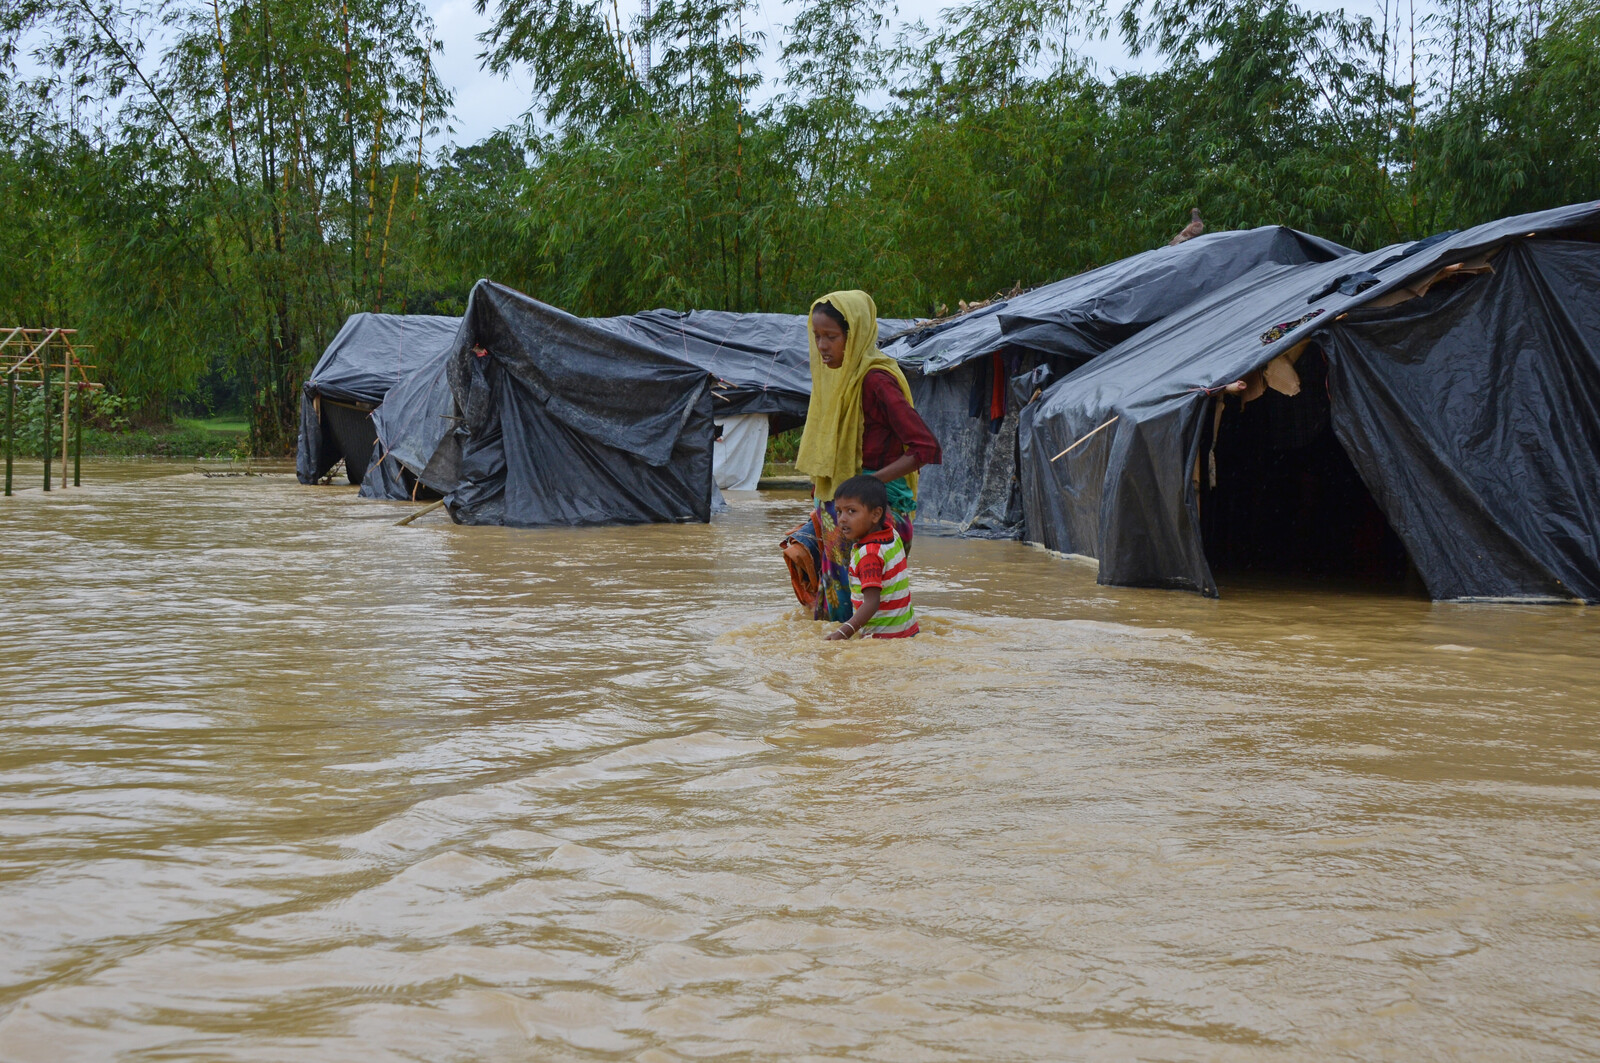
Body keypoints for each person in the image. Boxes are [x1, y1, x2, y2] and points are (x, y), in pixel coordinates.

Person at [785, 290, 941, 622]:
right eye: (817, 337)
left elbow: (924, 448)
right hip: (845, 509)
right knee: (837, 613)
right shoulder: (836, 379)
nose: (822, 346)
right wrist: (826, 495)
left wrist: (868, 482)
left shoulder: (876, 381)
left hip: (873, 514)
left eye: (832, 337)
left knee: (864, 615)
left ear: (853, 336)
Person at [824, 475, 920, 640]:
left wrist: (843, 632)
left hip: (882, 639)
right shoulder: (892, 535)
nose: (842, 519)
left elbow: (871, 603)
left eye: (851, 511)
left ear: (876, 515)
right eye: (839, 511)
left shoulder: (869, 554)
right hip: (908, 631)